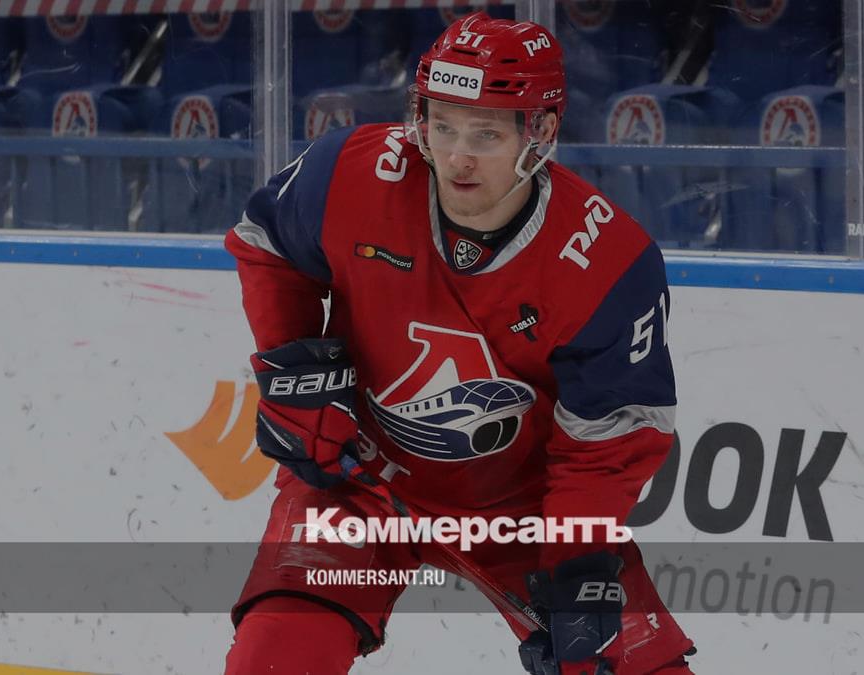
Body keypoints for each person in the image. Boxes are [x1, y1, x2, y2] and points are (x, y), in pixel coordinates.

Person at [222, 11, 695, 675]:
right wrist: (289, 363)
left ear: (541, 132)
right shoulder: (354, 170)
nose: (456, 157)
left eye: (486, 133)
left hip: (523, 511)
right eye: (442, 125)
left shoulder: (608, 261)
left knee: (623, 663)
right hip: (359, 478)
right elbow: (266, 240)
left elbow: (608, 444)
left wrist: (576, 560)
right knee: (273, 656)